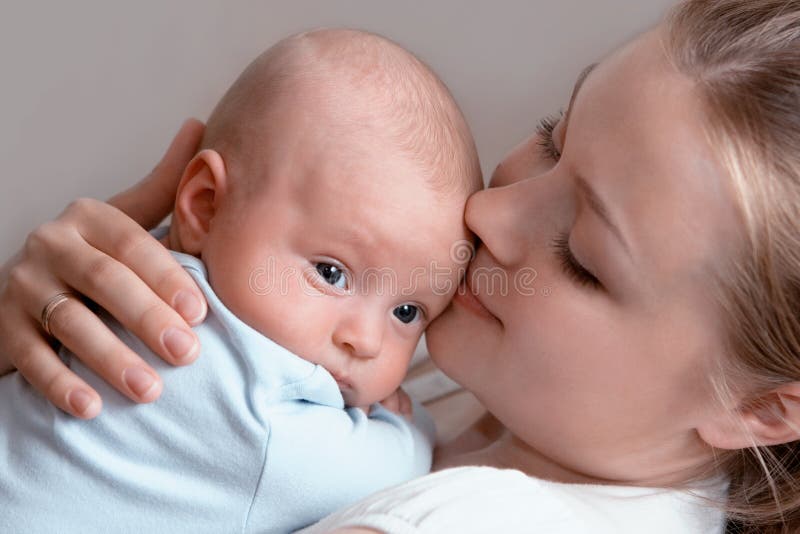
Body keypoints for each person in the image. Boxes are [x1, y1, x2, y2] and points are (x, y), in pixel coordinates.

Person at [1, 0, 798, 532]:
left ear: (762, 409)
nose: (488, 214)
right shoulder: (522, 406)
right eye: (554, 135)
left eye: (585, 258)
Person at [0, 29, 483, 533]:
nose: (364, 341)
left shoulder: (132, 271)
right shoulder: (254, 403)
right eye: (331, 273)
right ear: (206, 208)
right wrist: (406, 426)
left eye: (406, 312)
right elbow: (392, 471)